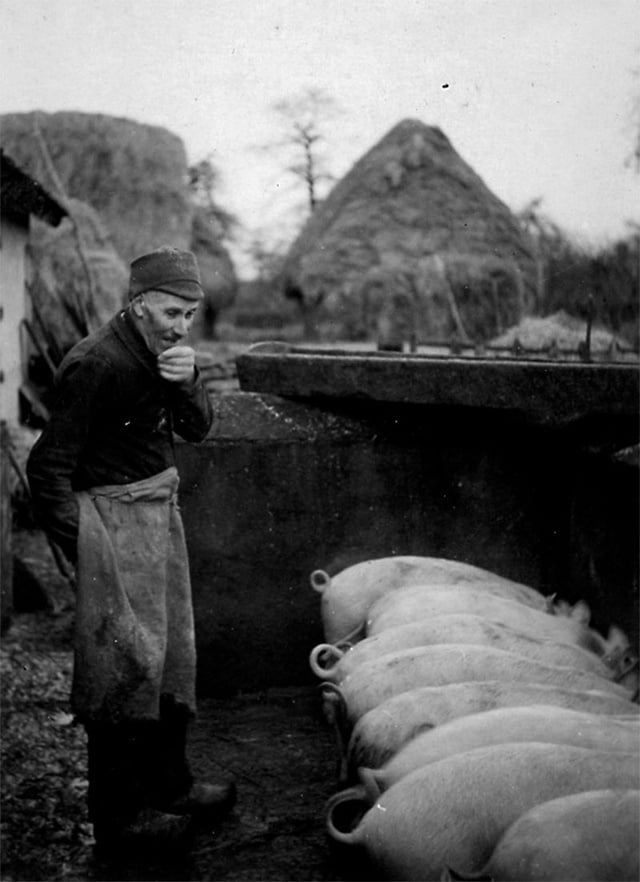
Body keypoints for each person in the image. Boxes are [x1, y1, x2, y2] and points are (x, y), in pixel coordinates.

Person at [27, 245, 236, 855]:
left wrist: (190, 381)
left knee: (171, 657)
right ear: (139, 305)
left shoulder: (164, 356)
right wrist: (89, 552)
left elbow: (198, 429)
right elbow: (48, 470)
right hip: (112, 527)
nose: (182, 326)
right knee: (124, 667)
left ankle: (171, 787)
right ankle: (120, 819)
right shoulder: (96, 364)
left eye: (191, 314)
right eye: (172, 312)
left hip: (156, 521)